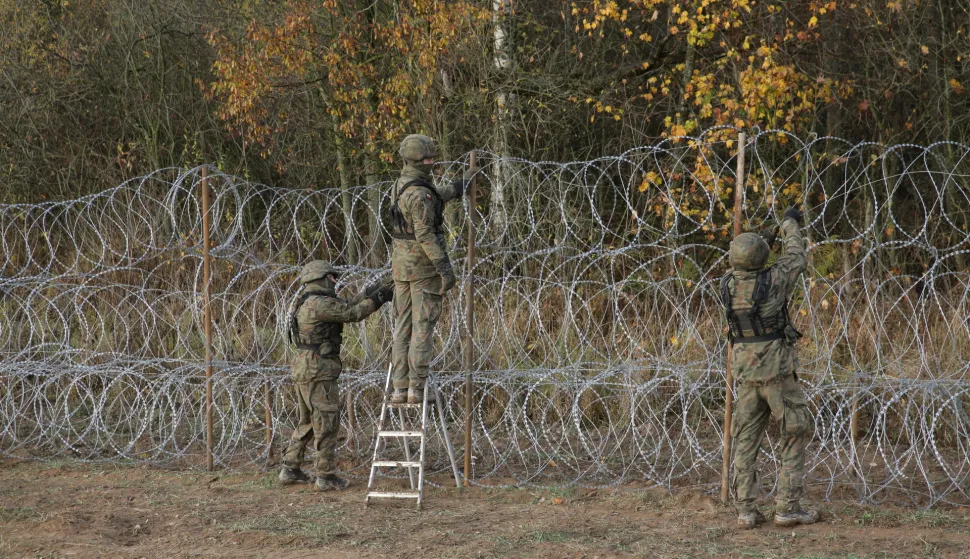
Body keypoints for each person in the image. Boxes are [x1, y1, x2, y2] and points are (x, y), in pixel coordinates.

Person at [720, 206, 819, 528]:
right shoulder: (776, 278)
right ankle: (788, 508)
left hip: (745, 374)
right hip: (777, 373)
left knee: (745, 442)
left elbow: (751, 268)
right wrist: (789, 224)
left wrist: (761, 246)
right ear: (762, 258)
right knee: (794, 432)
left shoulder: (727, 284)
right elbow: (796, 255)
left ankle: (745, 510)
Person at [279, 260, 392, 491]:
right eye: (332, 277)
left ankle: (290, 468)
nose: (335, 281)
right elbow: (352, 313)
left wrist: (372, 291)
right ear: (320, 278)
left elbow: (347, 303)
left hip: (306, 367)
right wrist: (379, 299)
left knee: (308, 421)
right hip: (318, 369)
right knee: (326, 422)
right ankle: (325, 475)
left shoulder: (309, 301)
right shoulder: (319, 304)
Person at [388, 134, 470, 404]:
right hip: (423, 268)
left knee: (402, 328)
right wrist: (445, 269)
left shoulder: (401, 184)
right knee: (422, 327)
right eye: (428, 158)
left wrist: (458, 188)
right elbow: (425, 235)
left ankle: (400, 388)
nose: (432, 162)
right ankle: (417, 388)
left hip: (401, 267)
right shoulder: (420, 192)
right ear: (416, 159)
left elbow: (431, 198)